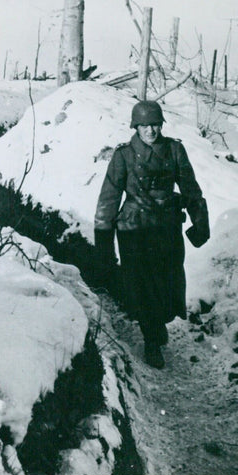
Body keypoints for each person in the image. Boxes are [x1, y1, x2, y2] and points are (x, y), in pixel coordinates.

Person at [93, 100, 209, 369]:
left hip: (167, 228)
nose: (151, 131)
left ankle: (157, 323)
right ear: (136, 127)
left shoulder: (174, 150)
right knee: (142, 284)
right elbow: (108, 199)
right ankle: (151, 339)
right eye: (145, 125)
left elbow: (191, 189)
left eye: (155, 124)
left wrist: (200, 223)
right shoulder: (123, 156)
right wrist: (104, 243)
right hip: (135, 230)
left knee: (168, 281)